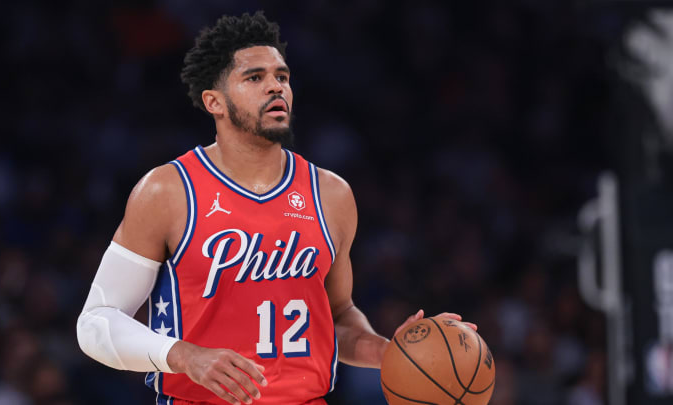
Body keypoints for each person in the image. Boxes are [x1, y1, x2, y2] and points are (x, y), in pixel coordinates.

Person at [76, 11, 476, 405]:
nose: (276, 87)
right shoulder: (167, 190)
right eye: (255, 77)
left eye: (282, 76)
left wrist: (390, 353)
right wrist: (184, 356)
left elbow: (335, 318)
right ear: (214, 101)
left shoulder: (331, 194)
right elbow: (96, 322)